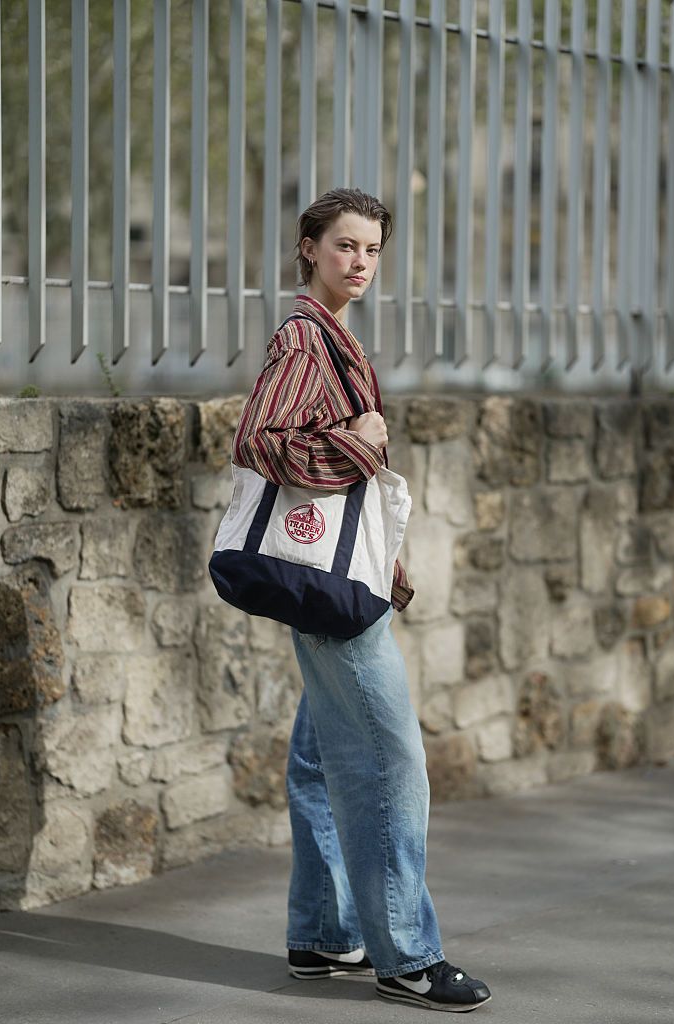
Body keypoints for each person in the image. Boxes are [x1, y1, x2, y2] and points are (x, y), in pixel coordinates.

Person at [231, 187, 491, 1013]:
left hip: (337, 578)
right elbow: (261, 441)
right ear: (308, 247)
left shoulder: (334, 336)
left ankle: (322, 931)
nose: (360, 262)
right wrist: (359, 441)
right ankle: (406, 956)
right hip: (331, 592)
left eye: (372, 249)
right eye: (344, 245)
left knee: (319, 761)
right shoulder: (306, 338)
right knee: (389, 763)